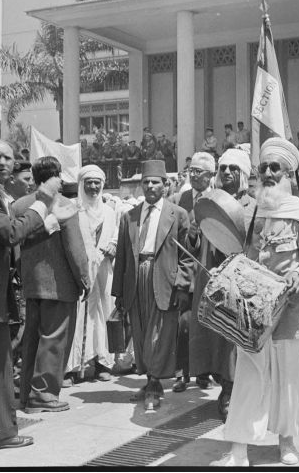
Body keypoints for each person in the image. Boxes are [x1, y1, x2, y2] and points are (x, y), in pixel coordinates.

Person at [210, 137, 299, 467]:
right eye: (265, 168)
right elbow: (240, 255)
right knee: (247, 383)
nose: (270, 173)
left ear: (290, 174)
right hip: (253, 317)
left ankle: (287, 442)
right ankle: (238, 450)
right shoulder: (251, 210)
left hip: (293, 315)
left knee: (290, 385)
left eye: (277, 168)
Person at [0, 140, 60, 450]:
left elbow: (8, 245)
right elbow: (9, 233)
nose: (3, 162)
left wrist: (47, 227)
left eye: (8, 157)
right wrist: (43, 199)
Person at [112, 160, 192, 411]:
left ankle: (156, 385)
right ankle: (149, 380)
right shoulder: (130, 216)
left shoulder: (177, 214)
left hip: (164, 281)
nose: (149, 186)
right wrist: (118, 293)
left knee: (159, 334)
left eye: (155, 182)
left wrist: (181, 287)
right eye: (145, 182)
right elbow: (123, 256)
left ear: (165, 185)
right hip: (136, 279)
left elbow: (187, 257)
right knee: (141, 332)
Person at [14, 156, 90, 413]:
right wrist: (84, 279)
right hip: (60, 284)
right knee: (54, 341)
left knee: (32, 341)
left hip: (31, 284)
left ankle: (26, 395)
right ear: (56, 175)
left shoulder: (20, 205)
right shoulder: (65, 205)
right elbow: (75, 249)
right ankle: (43, 396)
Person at [188, 149, 256, 420]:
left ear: (244, 174)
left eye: (233, 168)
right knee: (219, 341)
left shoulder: (255, 206)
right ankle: (227, 389)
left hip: (243, 282)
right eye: (223, 168)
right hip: (214, 280)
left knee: (239, 341)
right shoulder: (208, 202)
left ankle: (239, 391)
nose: (227, 172)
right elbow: (198, 244)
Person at [65, 166, 119, 385]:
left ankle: (102, 364)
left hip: (104, 269)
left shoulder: (109, 211)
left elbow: (116, 235)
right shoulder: (73, 209)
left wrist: (113, 245)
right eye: (89, 182)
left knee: (104, 313)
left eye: (97, 182)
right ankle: (71, 368)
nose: (94, 187)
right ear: (81, 184)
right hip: (79, 271)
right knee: (78, 315)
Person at [173, 152, 216, 393]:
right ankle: (182, 373)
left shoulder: (218, 200)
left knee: (206, 325)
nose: (194, 174)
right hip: (186, 273)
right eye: (192, 170)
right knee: (184, 325)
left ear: (211, 175)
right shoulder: (179, 198)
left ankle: (203, 373)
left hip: (209, 272)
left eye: (199, 171)